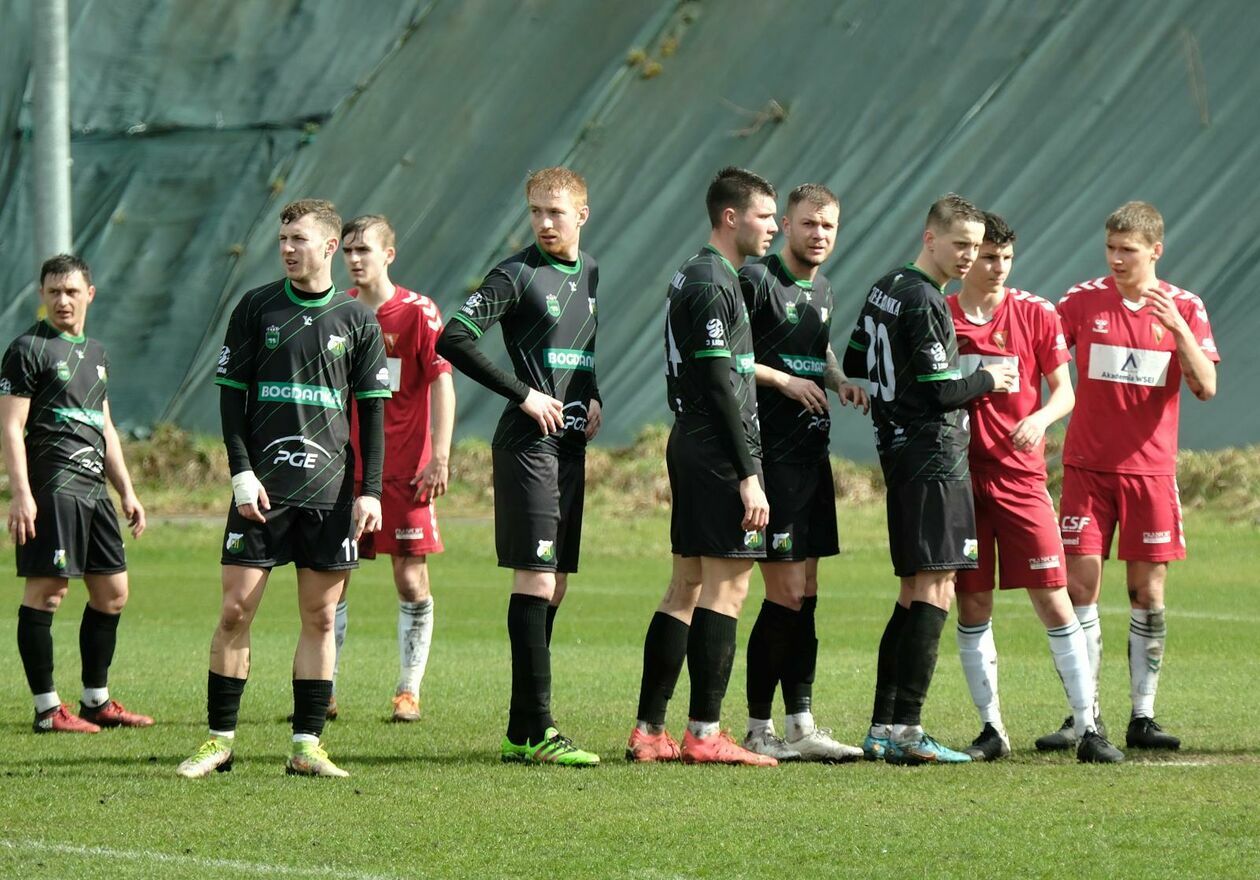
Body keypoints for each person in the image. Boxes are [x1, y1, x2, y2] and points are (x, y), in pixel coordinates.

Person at [177, 199, 390, 779]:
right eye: (283, 239)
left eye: (299, 239)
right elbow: (230, 397)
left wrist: (370, 491)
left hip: (330, 494)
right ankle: (219, 741)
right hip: (262, 491)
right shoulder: (256, 307)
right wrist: (240, 472)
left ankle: (306, 746)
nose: (289, 248)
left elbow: (372, 415)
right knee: (234, 610)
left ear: (327, 247)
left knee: (321, 619)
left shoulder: (358, 321)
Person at [1035, 201, 1218, 753]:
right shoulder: (1081, 300)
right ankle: (1083, 715)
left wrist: (1179, 332)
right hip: (1087, 470)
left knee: (1147, 592)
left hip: (1151, 474)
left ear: (1155, 251)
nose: (1117, 259)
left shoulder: (1185, 306)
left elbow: (1206, 386)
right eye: (1111, 248)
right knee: (1079, 587)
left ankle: (1143, 715)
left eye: (1128, 251)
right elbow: (1045, 358)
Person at [842, 193, 1017, 765]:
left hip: (897, 452)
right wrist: (989, 377)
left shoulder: (885, 285)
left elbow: (858, 355)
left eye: (975, 245)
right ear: (930, 238)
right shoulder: (924, 299)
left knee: (912, 589)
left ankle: (883, 728)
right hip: (935, 457)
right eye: (959, 244)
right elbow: (942, 391)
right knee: (935, 588)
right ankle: (908, 731)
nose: (968, 255)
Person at [435, 167, 601, 766]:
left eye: (556, 212)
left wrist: (594, 391)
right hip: (527, 443)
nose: (544, 222)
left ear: (582, 214)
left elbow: (581, 345)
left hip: (571, 443)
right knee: (534, 578)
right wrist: (524, 394)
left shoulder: (590, 272)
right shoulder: (515, 273)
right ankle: (541, 730)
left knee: (554, 585)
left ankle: (520, 730)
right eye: (536, 211)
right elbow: (453, 338)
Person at [949, 213, 1124, 763]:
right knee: (972, 601)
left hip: (1021, 478)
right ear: (967, 258)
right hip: (959, 478)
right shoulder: (942, 314)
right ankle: (991, 730)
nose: (997, 267)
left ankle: (1089, 726)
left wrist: (1042, 418)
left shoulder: (1035, 312)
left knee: (1054, 596)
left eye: (1005, 257)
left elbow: (1064, 392)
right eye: (987, 257)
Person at [626, 166, 778, 767]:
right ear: (731, 217)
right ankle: (704, 732)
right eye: (766, 217)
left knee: (685, 585)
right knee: (729, 585)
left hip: (690, 438)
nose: (774, 228)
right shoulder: (714, 282)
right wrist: (748, 472)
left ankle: (648, 731)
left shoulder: (696, 271)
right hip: (716, 448)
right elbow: (720, 382)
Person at [737, 183, 868, 763]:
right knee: (784, 594)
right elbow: (731, 358)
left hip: (814, 459)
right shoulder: (755, 281)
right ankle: (756, 727)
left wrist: (836, 378)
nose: (819, 235)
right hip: (773, 459)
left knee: (808, 594)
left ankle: (802, 724)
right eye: (809, 224)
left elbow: (818, 346)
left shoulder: (823, 290)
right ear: (786, 224)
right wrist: (784, 381)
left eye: (829, 227)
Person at [1, 254, 153, 734]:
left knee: (112, 593)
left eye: (71, 291)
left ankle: (96, 701)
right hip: (52, 489)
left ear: (90, 294)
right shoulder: (27, 349)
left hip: (94, 492)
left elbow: (103, 427)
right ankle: (48, 710)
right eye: (53, 292)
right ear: (42, 297)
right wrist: (20, 493)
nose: (62, 300)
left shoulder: (97, 353)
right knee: (48, 594)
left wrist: (126, 490)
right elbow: (10, 427)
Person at [330, 214, 455, 723]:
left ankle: (408, 690)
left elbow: (443, 381)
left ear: (389, 255)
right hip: (344, 471)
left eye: (364, 250)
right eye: (348, 252)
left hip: (406, 470)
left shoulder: (418, 313)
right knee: (333, 578)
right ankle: (324, 688)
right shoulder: (337, 313)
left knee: (409, 579)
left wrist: (441, 454)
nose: (355, 259)